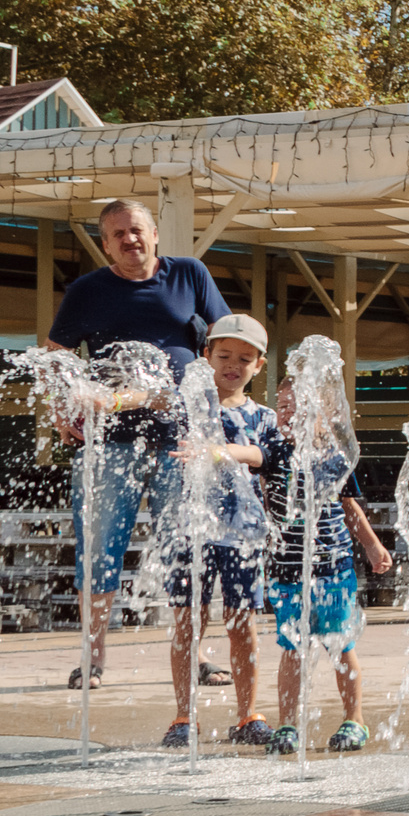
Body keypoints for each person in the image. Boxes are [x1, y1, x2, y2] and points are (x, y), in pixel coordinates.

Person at [45, 198, 233, 689]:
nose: (130, 240)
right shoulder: (87, 291)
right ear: (106, 245)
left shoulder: (189, 274)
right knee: (99, 550)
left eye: (136, 230)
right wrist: (61, 407)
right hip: (109, 443)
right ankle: (92, 658)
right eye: (118, 234)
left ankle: (195, 656)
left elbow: (227, 337)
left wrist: (224, 405)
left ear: (154, 234)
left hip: (182, 440)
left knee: (188, 547)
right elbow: (55, 355)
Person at [258, 375, 391, 754]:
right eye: (282, 407)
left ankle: (355, 719)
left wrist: (373, 546)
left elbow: (350, 508)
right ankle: (288, 724)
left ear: (321, 415)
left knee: (340, 646)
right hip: (287, 572)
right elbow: (265, 496)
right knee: (292, 649)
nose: (288, 414)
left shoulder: (334, 457)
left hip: (333, 570)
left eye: (298, 407)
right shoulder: (273, 451)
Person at [161, 314, 276, 748]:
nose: (233, 365)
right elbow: (151, 401)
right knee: (187, 621)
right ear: (206, 355)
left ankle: (247, 714)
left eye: (244, 359)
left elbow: (265, 457)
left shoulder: (263, 417)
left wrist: (218, 451)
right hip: (188, 532)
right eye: (224, 355)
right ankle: (183, 716)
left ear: (259, 365)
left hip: (243, 535)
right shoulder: (188, 406)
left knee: (241, 624)